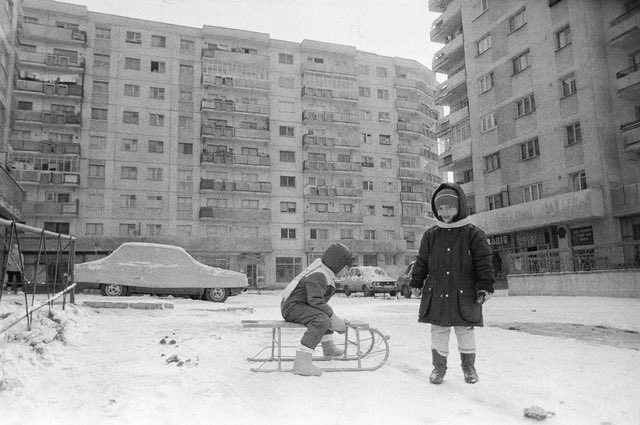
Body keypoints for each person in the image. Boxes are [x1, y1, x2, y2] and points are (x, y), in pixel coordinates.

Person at [410, 183, 495, 385]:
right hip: (438, 291)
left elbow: (484, 262)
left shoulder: (473, 234)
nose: (444, 212)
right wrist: (416, 281)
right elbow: (422, 261)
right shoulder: (431, 235)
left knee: (465, 329)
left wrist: (485, 285)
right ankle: (438, 369)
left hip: (464, 292)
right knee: (438, 330)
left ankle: (469, 368)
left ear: (460, 207)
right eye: (440, 208)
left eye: (448, 207)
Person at [281, 243, 355, 376]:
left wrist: (332, 318)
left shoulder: (324, 273)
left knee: (323, 315)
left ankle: (328, 348)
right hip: (292, 307)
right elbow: (315, 301)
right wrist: (334, 319)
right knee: (321, 319)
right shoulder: (319, 275)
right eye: (346, 268)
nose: (347, 271)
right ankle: (302, 362)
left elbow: (319, 304)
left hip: (299, 305)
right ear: (337, 264)